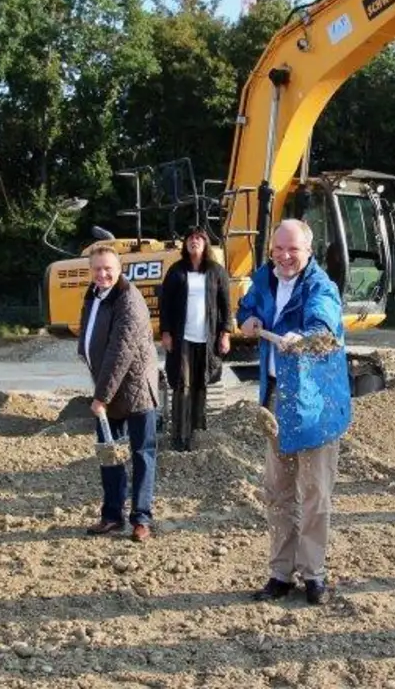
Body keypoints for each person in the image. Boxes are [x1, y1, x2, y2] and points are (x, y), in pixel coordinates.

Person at [237, 219, 351, 606]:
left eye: (293, 250)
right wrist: (247, 321)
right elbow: (246, 306)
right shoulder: (265, 279)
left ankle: (314, 574)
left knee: (315, 493)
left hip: (315, 405)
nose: (285, 257)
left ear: (309, 251)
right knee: (279, 491)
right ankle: (280, 573)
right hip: (277, 403)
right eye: (278, 250)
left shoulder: (321, 287)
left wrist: (304, 335)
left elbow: (323, 320)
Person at [79, 244, 162, 543]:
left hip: (136, 390)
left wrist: (100, 396)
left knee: (142, 455)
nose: (102, 274)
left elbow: (120, 351)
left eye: (108, 269)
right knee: (109, 455)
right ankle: (112, 515)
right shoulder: (93, 295)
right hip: (108, 391)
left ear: (119, 270)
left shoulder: (129, 299)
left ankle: (141, 519)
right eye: (97, 268)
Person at [158, 225, 232, 451]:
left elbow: (225, 306)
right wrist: (166, 332)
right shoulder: (176, 271)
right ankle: (179, 437)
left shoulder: (217, 271)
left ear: (206, 243)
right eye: (190, 237)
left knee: (201, 385)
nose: (194, 241)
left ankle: (198, 435)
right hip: (183, 339)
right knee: (182, 385)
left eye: (199, 238)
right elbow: (166, 305)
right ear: (185, 244)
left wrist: (225, 333)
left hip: (207, 339)